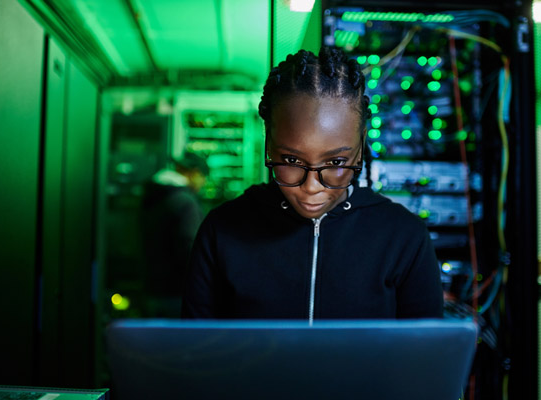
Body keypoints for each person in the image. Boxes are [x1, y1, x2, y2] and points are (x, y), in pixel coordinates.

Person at [181, 47, 443, 322]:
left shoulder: (404, 238)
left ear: (362, 142)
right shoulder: (222, 231)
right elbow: (196, 355)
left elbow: (424, 359)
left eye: (336, 163)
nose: (311, 187)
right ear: (268, 139)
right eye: (291, 160)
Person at [140, 152, 208, 317]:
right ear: (194, 173)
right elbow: (189, 250)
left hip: (152, 289)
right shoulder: (185, 202)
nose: (202, 185)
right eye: (203, 178)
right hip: (177, 294)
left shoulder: (153, 196)